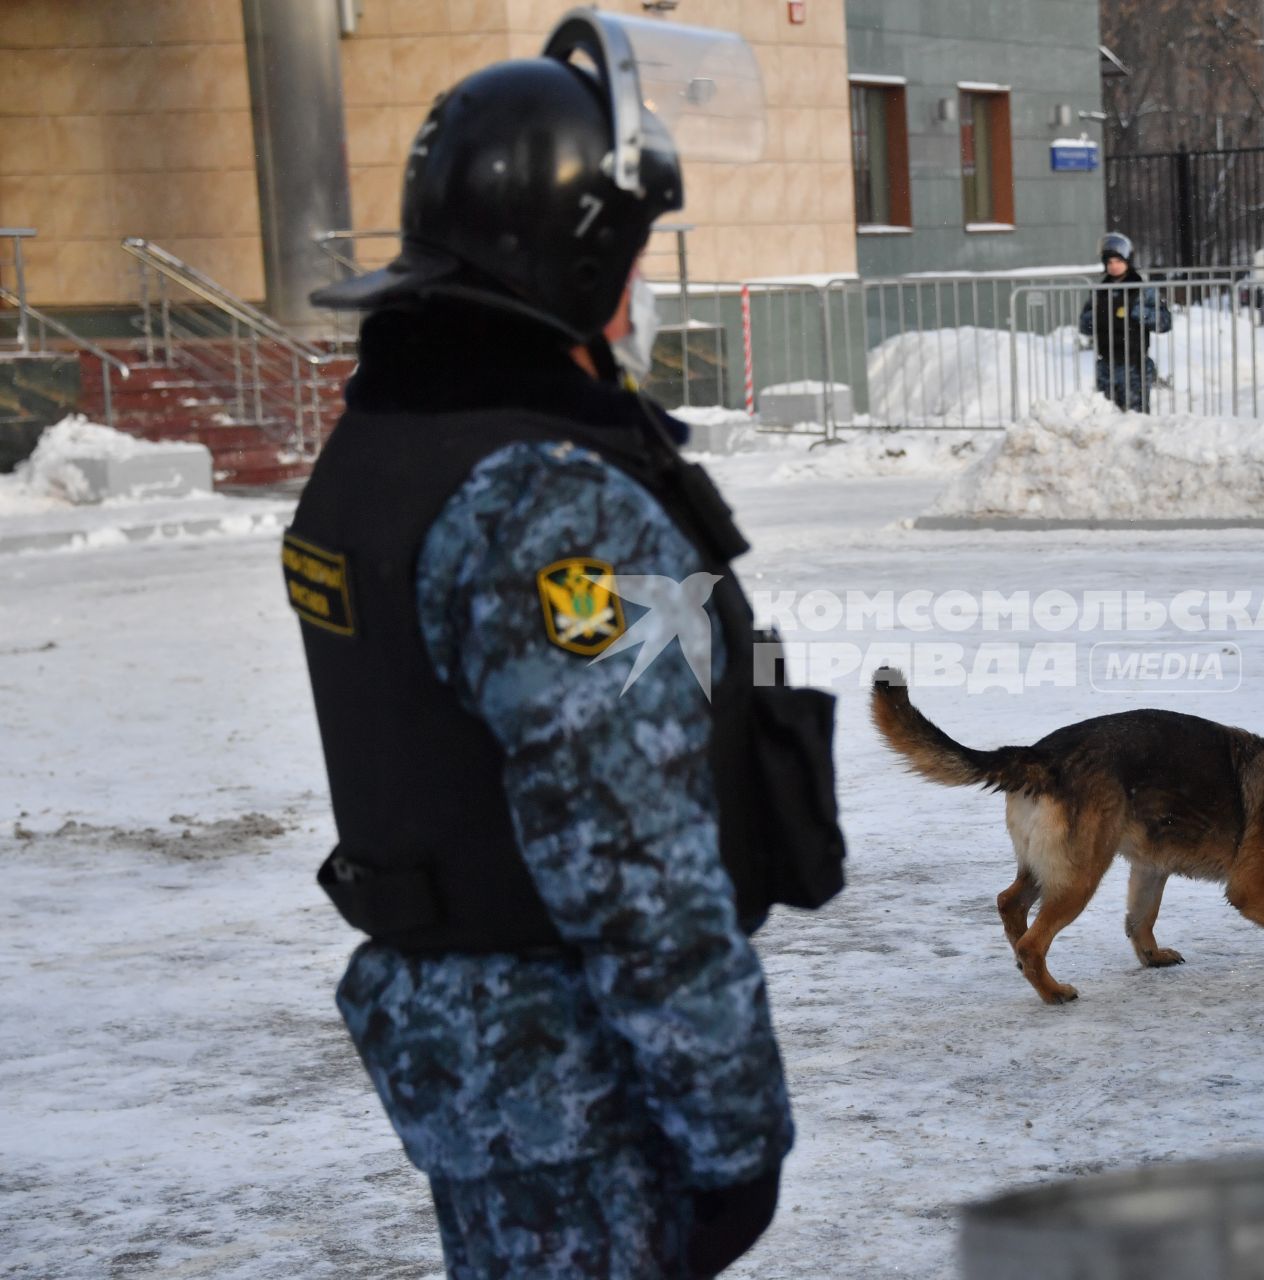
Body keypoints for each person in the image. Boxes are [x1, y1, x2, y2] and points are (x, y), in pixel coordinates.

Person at [283, 15, 842, 1276]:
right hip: (584, 1088)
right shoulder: (544, 501)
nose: (640, 290)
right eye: (633, 256)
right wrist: (736, 1134)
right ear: (579, 260)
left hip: (486, 1076)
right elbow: (630, 860)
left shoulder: (394, 435)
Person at [1079, 232, 1171, 412]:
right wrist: (1100, 314)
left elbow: (1165, 322)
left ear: (1127, 261)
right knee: (1107, 419)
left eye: (1118, 261)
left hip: (1134, 366)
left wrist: (1134, 311)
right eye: (1110, 262)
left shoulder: (1142, 289)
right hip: (1106, 366)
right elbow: (1084, 325)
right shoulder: (1100, 291)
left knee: (1135, 419)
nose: (1113, 266)